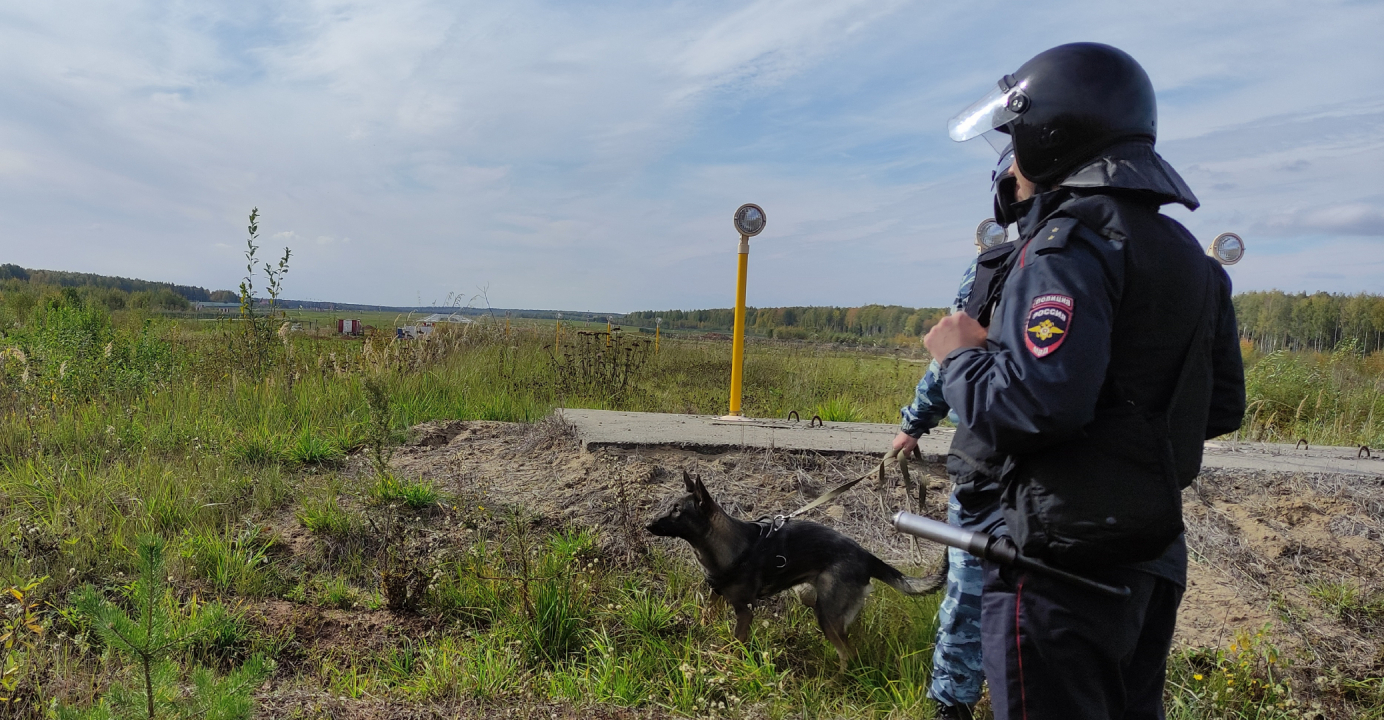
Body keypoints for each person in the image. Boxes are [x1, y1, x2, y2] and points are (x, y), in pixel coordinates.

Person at [923, 43, 1246, 719]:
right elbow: (1218, 406)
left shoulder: (1065, 246)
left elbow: (1030, 406)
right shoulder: (1192, 257)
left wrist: (959, 356)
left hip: (1056, 569)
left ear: (1050, 135)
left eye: (1013, 143)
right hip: (1149, 558)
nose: (1007, 164)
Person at [893, 154, 1016, 720]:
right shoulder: (1144, 261)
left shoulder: (995, 269)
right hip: (1094, 490)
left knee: (968, 596)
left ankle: (952, 706)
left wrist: (913, 424)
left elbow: (950, 355)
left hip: (993, 472)